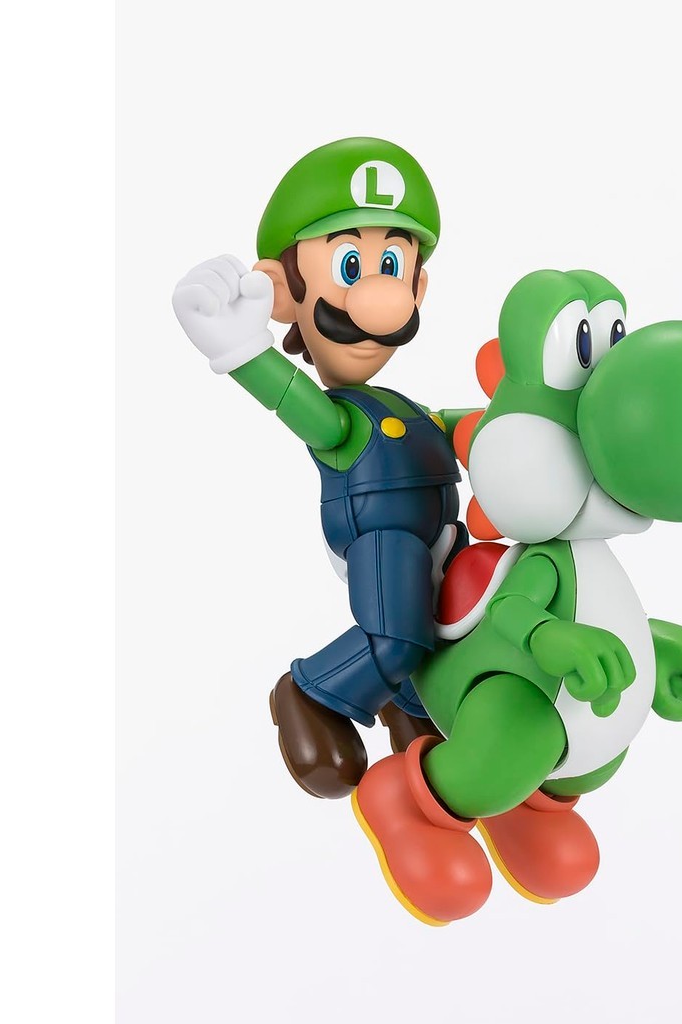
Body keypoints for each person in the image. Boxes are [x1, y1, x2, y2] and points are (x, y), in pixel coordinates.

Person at [172, 137, 471, 798]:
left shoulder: (407, 406)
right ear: (284, 291)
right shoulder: (341, 421)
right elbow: (295, 401)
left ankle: (413, 712)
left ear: (417, 286)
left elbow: (461, 427)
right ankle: (310, 694)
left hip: (441, 538)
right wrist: (239, 348)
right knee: (396, 636)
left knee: (444, 628)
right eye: (350, 264)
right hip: (381, 535)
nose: (377, 294)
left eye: (391, 263)